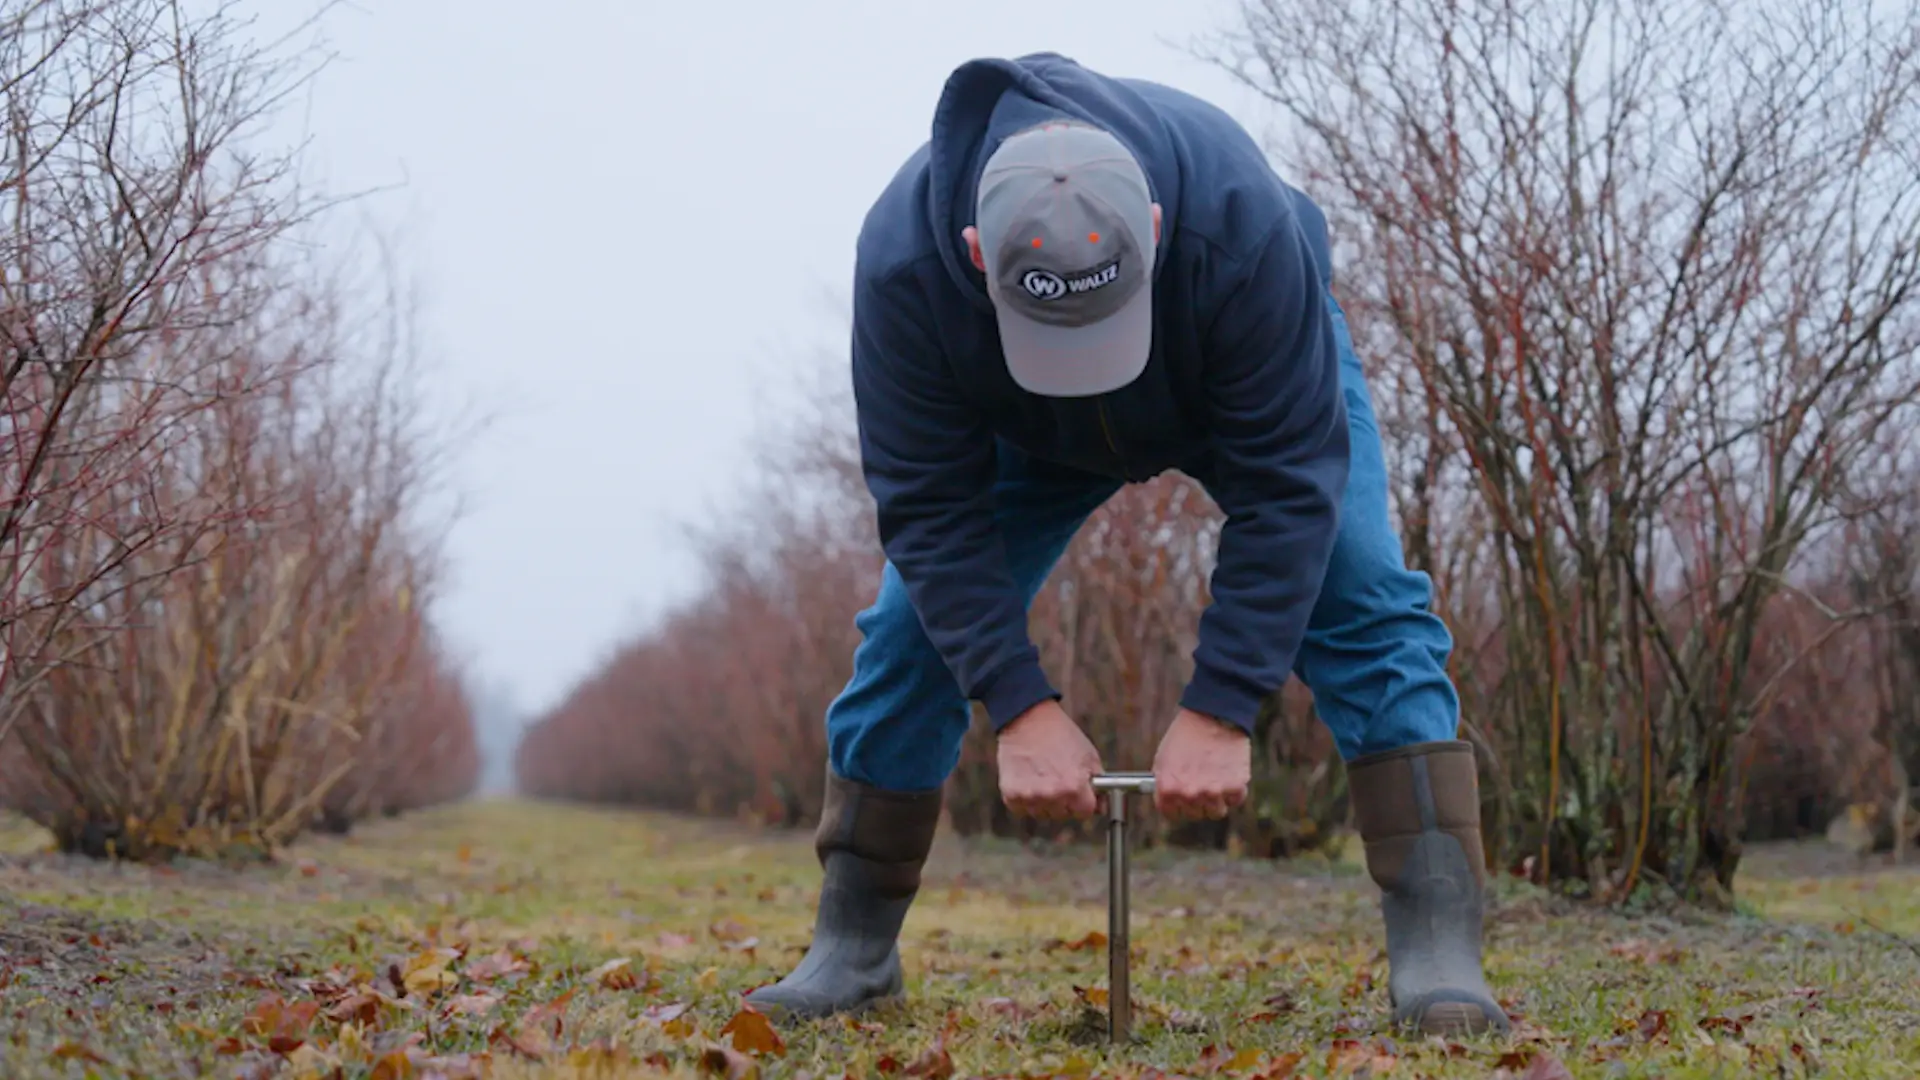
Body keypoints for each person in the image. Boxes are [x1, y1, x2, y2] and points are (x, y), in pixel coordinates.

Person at [743, 53, 1508, 1038]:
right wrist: (1017, 708)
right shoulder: (903, 267)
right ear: (978, 253)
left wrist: (1223, 707)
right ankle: (851, 951)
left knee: (1362, 593)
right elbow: (929, 511)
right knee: (908, 634)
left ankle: (1439, 952)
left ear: (1151, 229)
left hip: (1230, 388)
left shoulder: (1241, 222)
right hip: (1029, 432)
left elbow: (1288, 486)